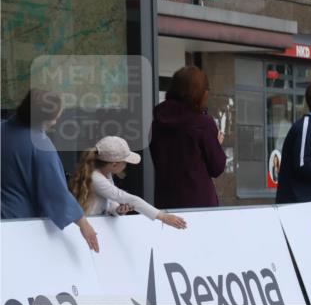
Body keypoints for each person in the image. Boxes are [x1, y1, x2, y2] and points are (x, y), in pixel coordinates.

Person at [1, 89, 100, 252]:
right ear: (45, 120)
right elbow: (55, 192)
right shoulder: (41, 147)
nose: (56, 120)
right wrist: (84, 223)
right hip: (18, 223)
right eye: (56, 116)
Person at [149, 66, 227, 209]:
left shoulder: (159, 121)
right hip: (199, 204)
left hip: (165, 201)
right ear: (200, 93)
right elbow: (217, 167)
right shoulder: (203, 123)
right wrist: (216, 144)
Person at [69, 136, 187, 228]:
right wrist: (162, 216)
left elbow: (107, 201)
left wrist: (116, 210)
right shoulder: (96, 178)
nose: (126, 166)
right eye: (125, 162)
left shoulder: (105, 173)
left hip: (96, 224)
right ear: (114, 164)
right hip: (89, 226)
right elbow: (126, 198)